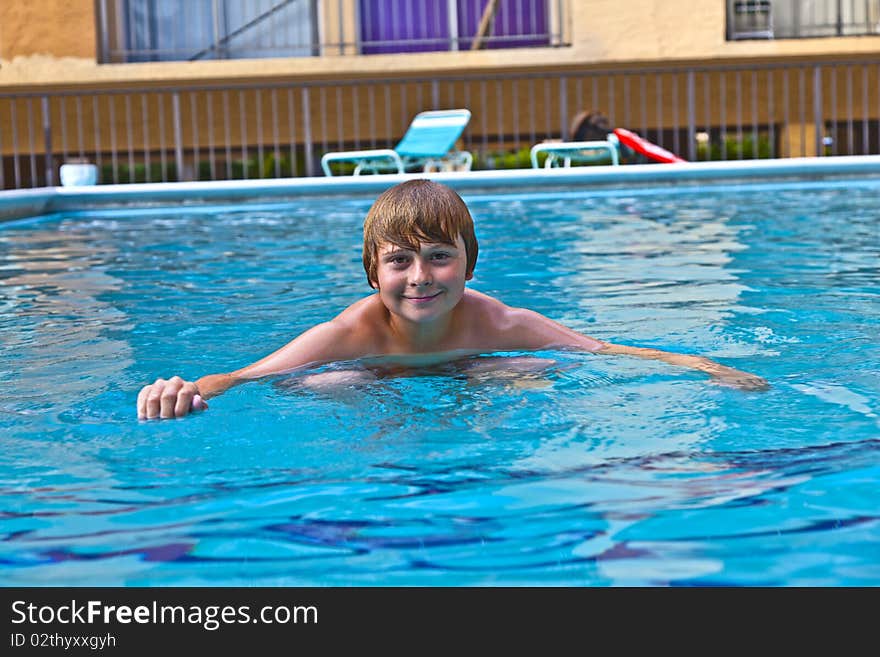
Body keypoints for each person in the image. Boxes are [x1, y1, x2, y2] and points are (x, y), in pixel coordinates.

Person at [137, 179, 767, 419]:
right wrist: (184, 393)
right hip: (375, 383)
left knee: (529, 371)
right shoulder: (353, 335)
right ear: (372, 274)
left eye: (440, 256)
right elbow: (244, 376)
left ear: (468, 265)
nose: (421, 277)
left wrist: (707, 368)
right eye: (399, 261)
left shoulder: (499, 322)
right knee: (326, 386)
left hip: (474, 380)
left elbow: (604, 352)